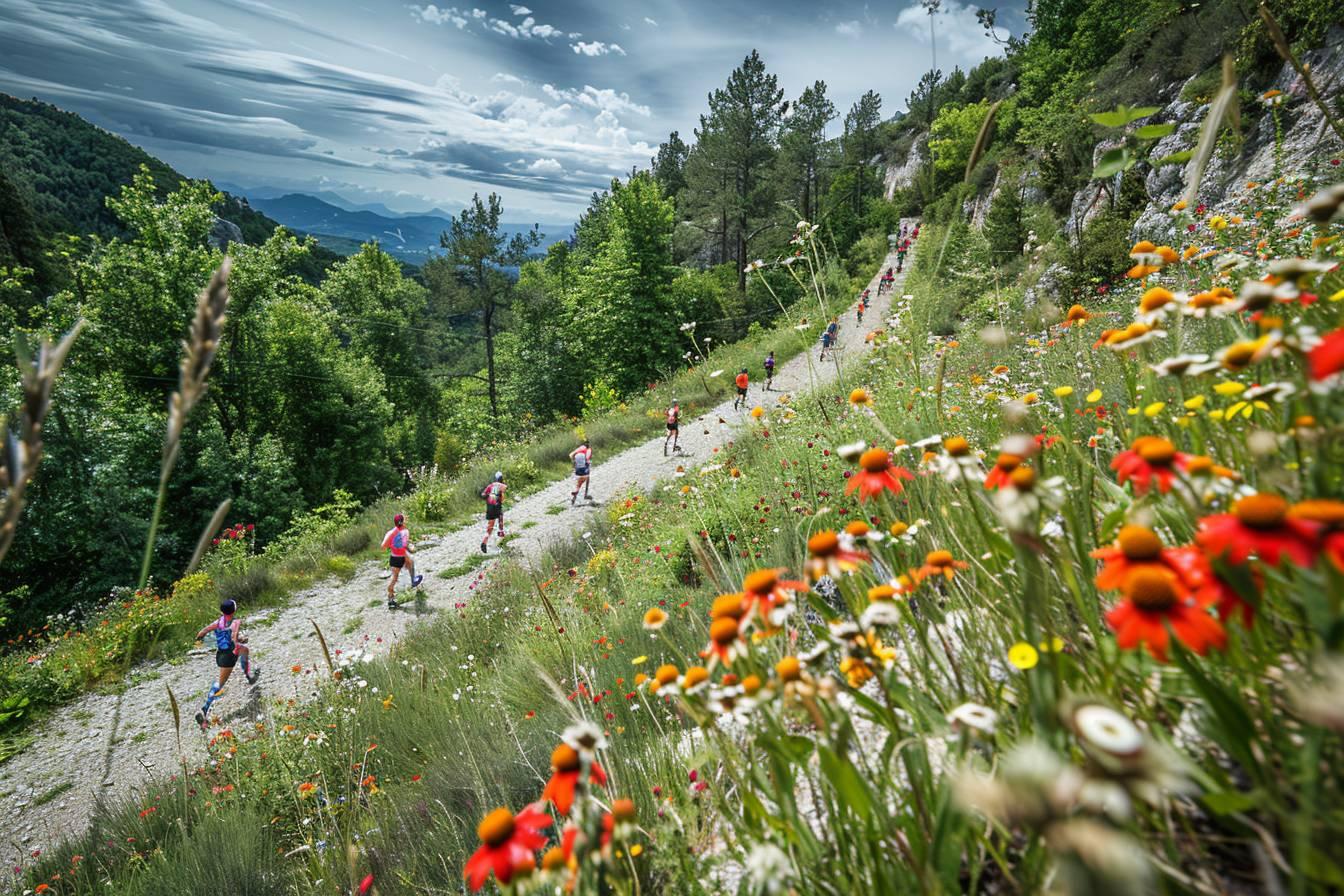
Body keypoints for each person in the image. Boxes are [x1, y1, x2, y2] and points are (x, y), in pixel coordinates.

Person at [193, 599, 257, 729]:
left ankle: (249, 676)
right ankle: (204, 711)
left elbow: (203, 632)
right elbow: (234, 636)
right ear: (234, 610)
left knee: (245, 650)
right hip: (229, 655)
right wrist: (239, 641)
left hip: (220, 654)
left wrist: (199, 642)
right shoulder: (235, 622)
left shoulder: (218, 622)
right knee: (220, 684)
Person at [382, 513, 423, 608]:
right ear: (403, 522)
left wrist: (392, 545)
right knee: (411, 565)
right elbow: (403, 546)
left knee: (395, 578)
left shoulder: (390, 532)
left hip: (394, 557)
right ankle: (414, 583)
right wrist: (410, 550)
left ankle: (391, 599)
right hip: (402, 556)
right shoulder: (405, 532)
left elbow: (384, 545)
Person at [481, 472, 506, 552]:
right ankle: (501, 534)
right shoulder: (502, 486)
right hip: (496, 506)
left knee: (490, 527)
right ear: (501, 478)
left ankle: (484, 541)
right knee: (500, 516)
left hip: (489, 507)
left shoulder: (490, 485)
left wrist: (489, 496)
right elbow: (502, 497)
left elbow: (483, 494)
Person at [569, 441, 592, 505]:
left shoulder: (579, 449)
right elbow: (587, 459)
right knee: (585, 478)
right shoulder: (588, 449)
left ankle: (574, 497)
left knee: (579, 481)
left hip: (577, 469)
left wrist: (574, 463)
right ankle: (585, 494)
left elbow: (571, 455)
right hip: (584, 468)